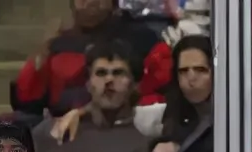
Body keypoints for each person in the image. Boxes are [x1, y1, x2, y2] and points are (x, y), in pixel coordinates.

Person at [33, 41, 157, 152]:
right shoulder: (52, 130)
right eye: (101, 73)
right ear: (88, 84)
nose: (109, 80)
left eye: (118, 73)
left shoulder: (142, 141)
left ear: (134, 85)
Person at [12, 0, 172, 118]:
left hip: (126, 126)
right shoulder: (57, 44)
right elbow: (27, 101)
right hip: (63, 127)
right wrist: (41, 52)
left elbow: (163, 88)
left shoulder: (143, 38)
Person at [139, 36, 213, 152]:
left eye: (201, 70)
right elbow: (132, 116)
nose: (191, 79)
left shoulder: (248, 114)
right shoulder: (172, 111)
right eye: (183, 71)